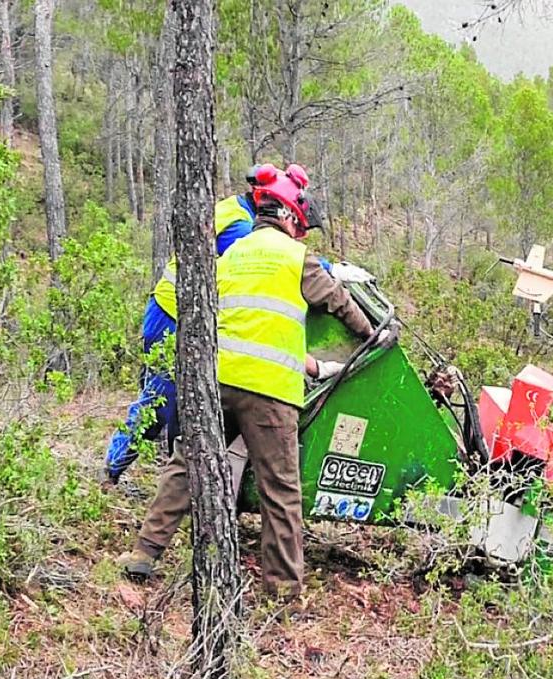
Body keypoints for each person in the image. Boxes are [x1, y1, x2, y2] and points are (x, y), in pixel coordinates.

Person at [117, 164, 377, 598]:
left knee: (186, 465)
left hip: (217, 382)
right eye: (302, 224)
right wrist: (373, 333)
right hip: (269, 391)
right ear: (291, 216)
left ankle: (144, 553)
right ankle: (282, 592)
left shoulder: (233, 252)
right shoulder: (296, 258)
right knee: (280, 492)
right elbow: (335, 299)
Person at [100, 184, 258, 485]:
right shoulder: (240, 225)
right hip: (173, 316)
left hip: (167, 309)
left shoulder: (233, 207)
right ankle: (111, 469)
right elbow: (255, 259)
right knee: (159, 402)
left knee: (177, 405)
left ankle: (175, 479)